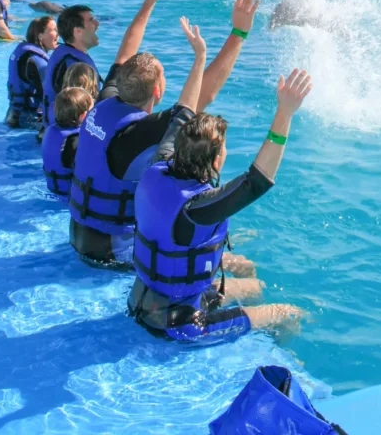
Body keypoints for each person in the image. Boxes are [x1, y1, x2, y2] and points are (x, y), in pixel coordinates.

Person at [69, 0, 260, 269]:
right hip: (112, 251)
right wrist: (237, 34)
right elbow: (199, 99)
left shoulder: (102, 105)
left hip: (79, 233)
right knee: (242, 266)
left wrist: (150, 1)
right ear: (157, 92)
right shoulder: (139, 134)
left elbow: (124, 53)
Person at [128, 65, 311, 344]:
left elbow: (180, 116)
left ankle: (254, 326)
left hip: (144, 301)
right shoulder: (197, 209)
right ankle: (278, 350)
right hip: (180, 324)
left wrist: (200, 57)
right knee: (288, 312)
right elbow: (257, 181)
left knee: (252, 281)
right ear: (215, 161)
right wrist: (284, 113)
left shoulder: (156, 168)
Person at [42, 0, 166, 127]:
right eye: (91, 21)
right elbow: (77, 117)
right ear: (77, 31)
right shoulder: (75, 68)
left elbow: (124, 55)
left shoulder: (64, 54)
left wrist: (150, 1)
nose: (97, 24)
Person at [42, 85, 94, 202]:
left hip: (52, 192)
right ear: (84, 116)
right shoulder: (76, 140)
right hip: (71, 200)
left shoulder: (51, 131)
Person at [6, 15, 60, 128]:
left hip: (13, 115)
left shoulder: (23, 53)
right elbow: (48, 97)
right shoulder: (37, 61)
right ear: (40, 36)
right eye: (54, 30)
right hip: (29, 120)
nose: (58, 34)